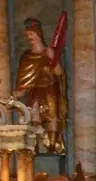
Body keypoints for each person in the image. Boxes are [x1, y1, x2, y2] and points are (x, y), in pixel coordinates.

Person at [14, 18, 67, 154]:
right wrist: (20, 91)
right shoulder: (26, 56)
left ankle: (52, 147)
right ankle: (35, 147)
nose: (29, 38)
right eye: (27, 35)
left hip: (50, 90)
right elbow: (23, 79)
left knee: (52, 115)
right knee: (34, 115)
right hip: (33, 92)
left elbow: (59, 74)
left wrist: (53, 59)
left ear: (38, 34)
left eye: (31, 34)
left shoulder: (49, 52)